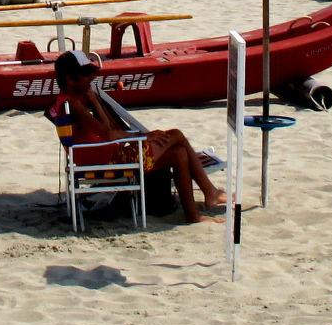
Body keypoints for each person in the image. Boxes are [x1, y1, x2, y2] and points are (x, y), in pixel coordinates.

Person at [47, 51, 224, 224]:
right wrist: (94, 101)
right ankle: (210, 193)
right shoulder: (74, 103)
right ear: (70, 79)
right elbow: (107, 131)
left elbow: (109, 133)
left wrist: (142, 136)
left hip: (102, 155)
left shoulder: (68, 100)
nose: (91, 79)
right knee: (176, 135)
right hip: (107, 161)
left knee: (178, 153)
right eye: (86, 75)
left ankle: (193, 216)